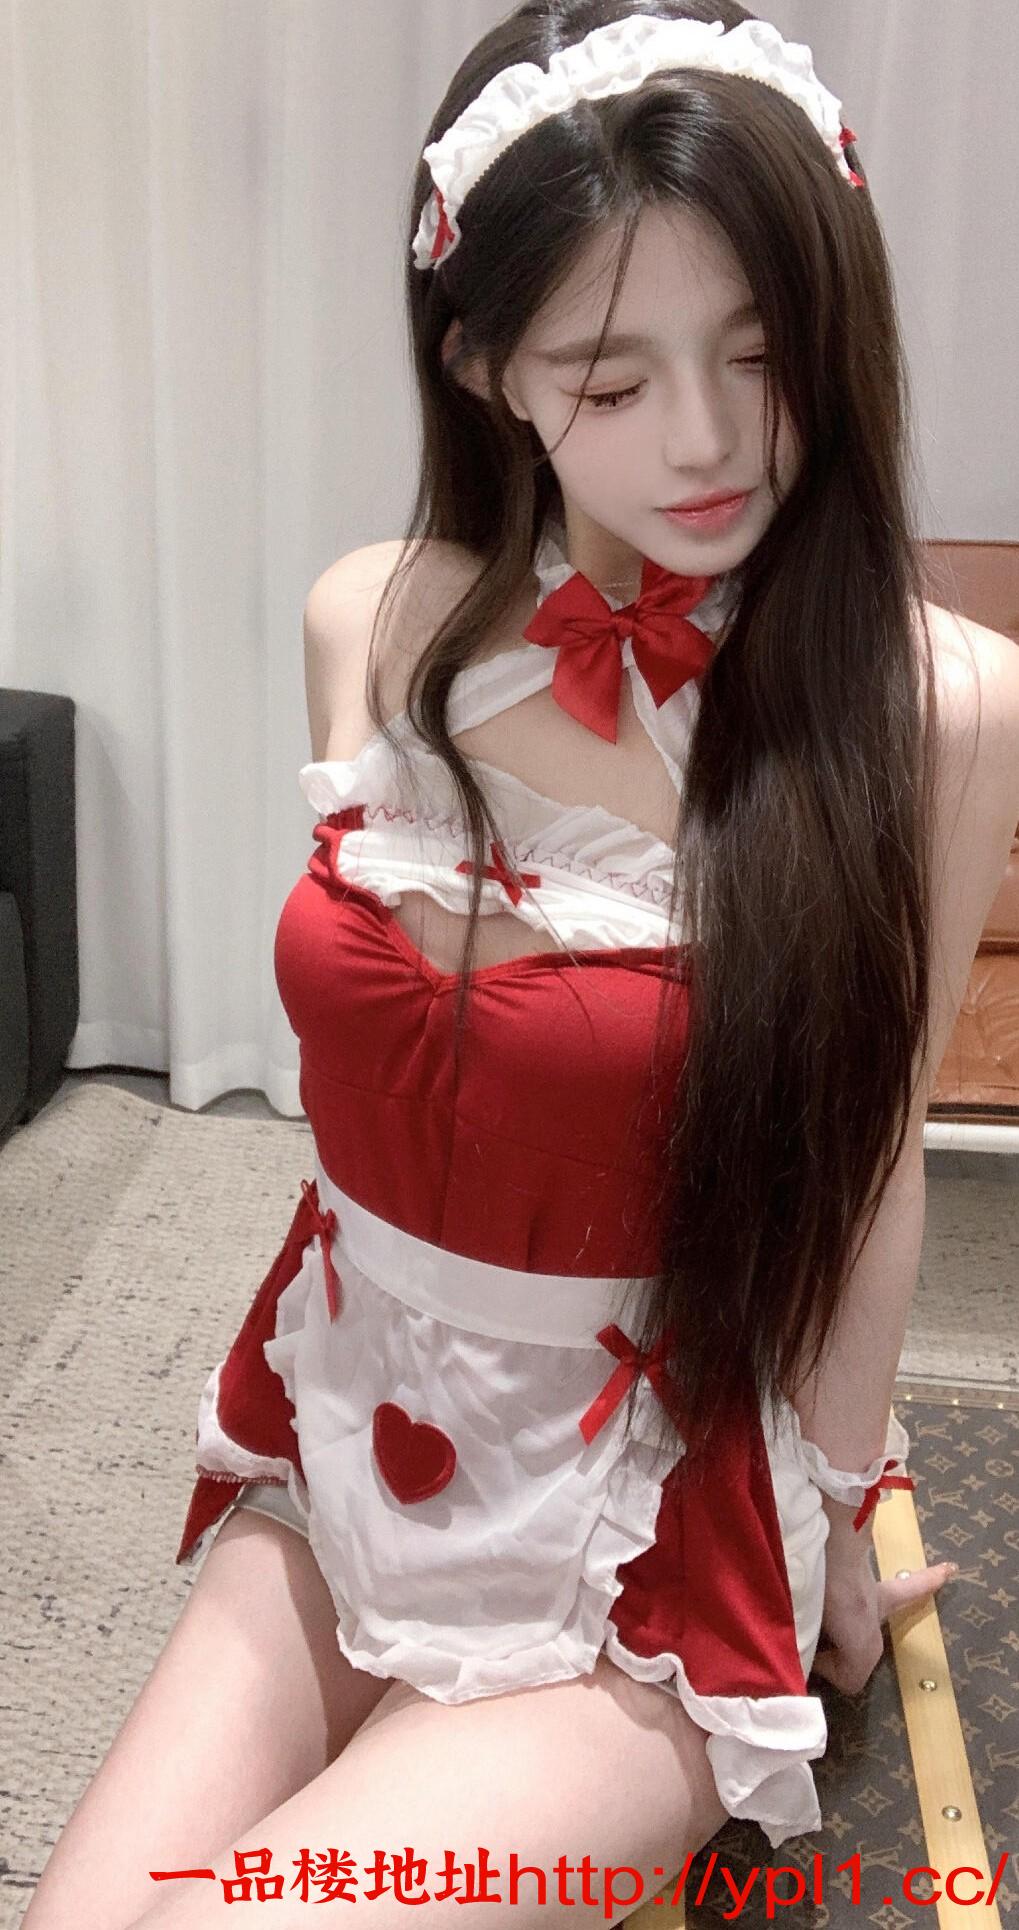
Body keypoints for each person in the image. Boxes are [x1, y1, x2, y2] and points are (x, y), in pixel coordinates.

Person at [26, 6, 1019, 1928]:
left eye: (763, 352)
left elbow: (874, 1160)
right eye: (611, 375)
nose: (710, 438)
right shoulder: (369, 624)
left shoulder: (937, 707)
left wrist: (830, 1515)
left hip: (651, 1513)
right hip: (359, 1416)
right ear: (483, 365)